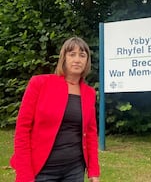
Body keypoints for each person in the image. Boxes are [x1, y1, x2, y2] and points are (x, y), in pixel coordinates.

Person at [10, 37, 100, 182]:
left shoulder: (89, 93)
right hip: (42, 169)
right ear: (63, 58)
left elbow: (90, 133)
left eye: (82, 55)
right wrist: (24, 175)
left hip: (74, 169)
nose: (77, 59)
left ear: (87, 61)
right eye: (72, 54)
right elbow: (22, 130)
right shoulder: (39, 83)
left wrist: (94, 171)